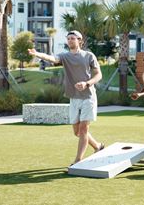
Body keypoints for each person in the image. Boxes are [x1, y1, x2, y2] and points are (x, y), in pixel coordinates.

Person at [28, 30, 104, 165]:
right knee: (77, 132)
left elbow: (98, 75)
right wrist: (38, 54)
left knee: (83, 129)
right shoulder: (65, 56)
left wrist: (87, 83)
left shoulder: (88, 56)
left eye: (73, 38)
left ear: (80, 40)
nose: (70, 41)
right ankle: (97, 146)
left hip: (88, 97)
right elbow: (53, 59)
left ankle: (78, 160)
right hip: (74, 97)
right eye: (68, 38)